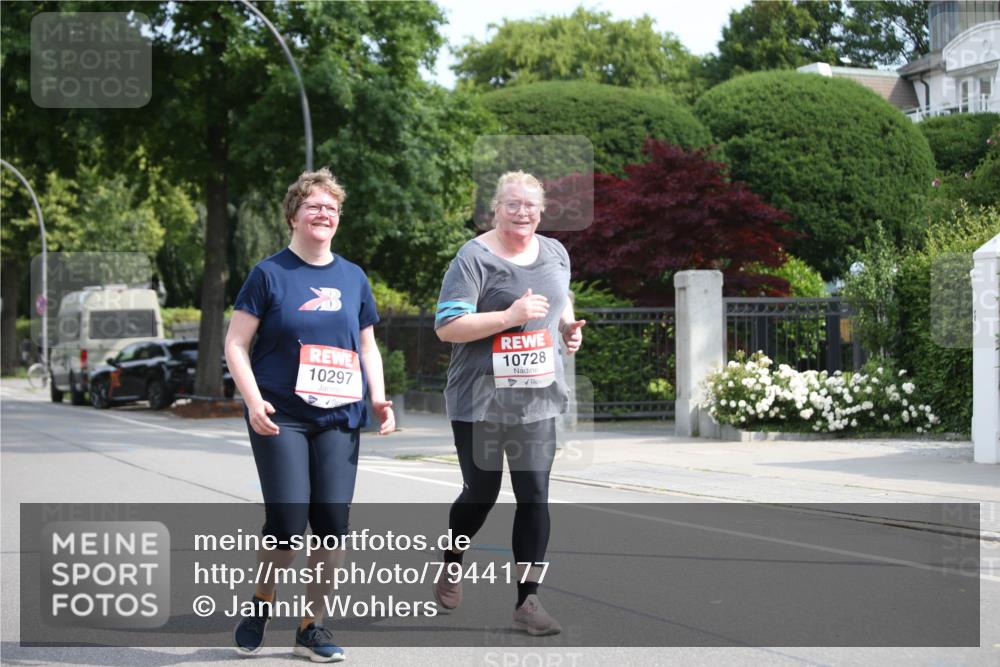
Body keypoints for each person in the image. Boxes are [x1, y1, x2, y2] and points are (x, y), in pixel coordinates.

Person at [225, 168, 395, 662]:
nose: (325, 214)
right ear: (294, 215)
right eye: (315, 206)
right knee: (287, 517)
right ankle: (261, 601)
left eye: (332, 209)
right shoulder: (269, 273)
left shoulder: (353, 276)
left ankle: (311, 626)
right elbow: (236, 343)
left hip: (340, 416)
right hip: (282, 415)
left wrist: (379, 397)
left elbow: (367, 345)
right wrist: (254, 400)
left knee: (332, 523)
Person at [433, 170, 585, 636]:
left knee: (534, 496)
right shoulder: (472, 258)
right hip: (480, 399)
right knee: (481, 494)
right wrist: (509, 316)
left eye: (531, 207)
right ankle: (453, 557)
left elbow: (561, 299)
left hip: (536, 399)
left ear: (542, 212)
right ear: (495, 209)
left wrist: (567, 328)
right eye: (513, 205)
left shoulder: (556, 252)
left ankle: (527, 602)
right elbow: (447, 326)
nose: (522, 214)